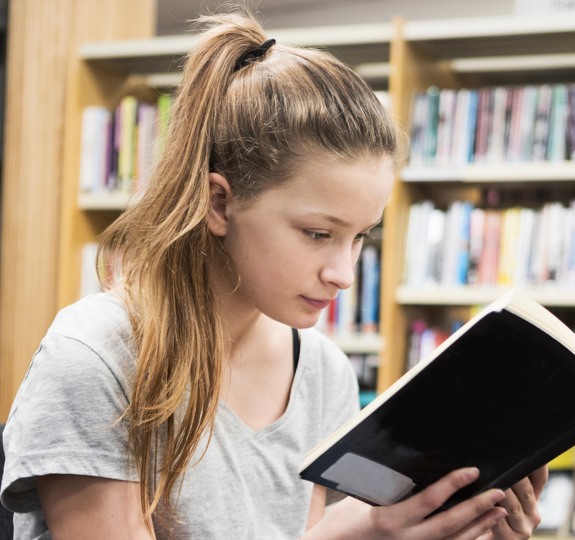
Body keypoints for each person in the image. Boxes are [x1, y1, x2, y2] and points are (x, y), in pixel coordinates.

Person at [0, 8, 546, 539]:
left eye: (361, 237)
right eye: (317, 233)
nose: (343, 274)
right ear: (218, 203)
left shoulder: (322, 372)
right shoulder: (94, 358)